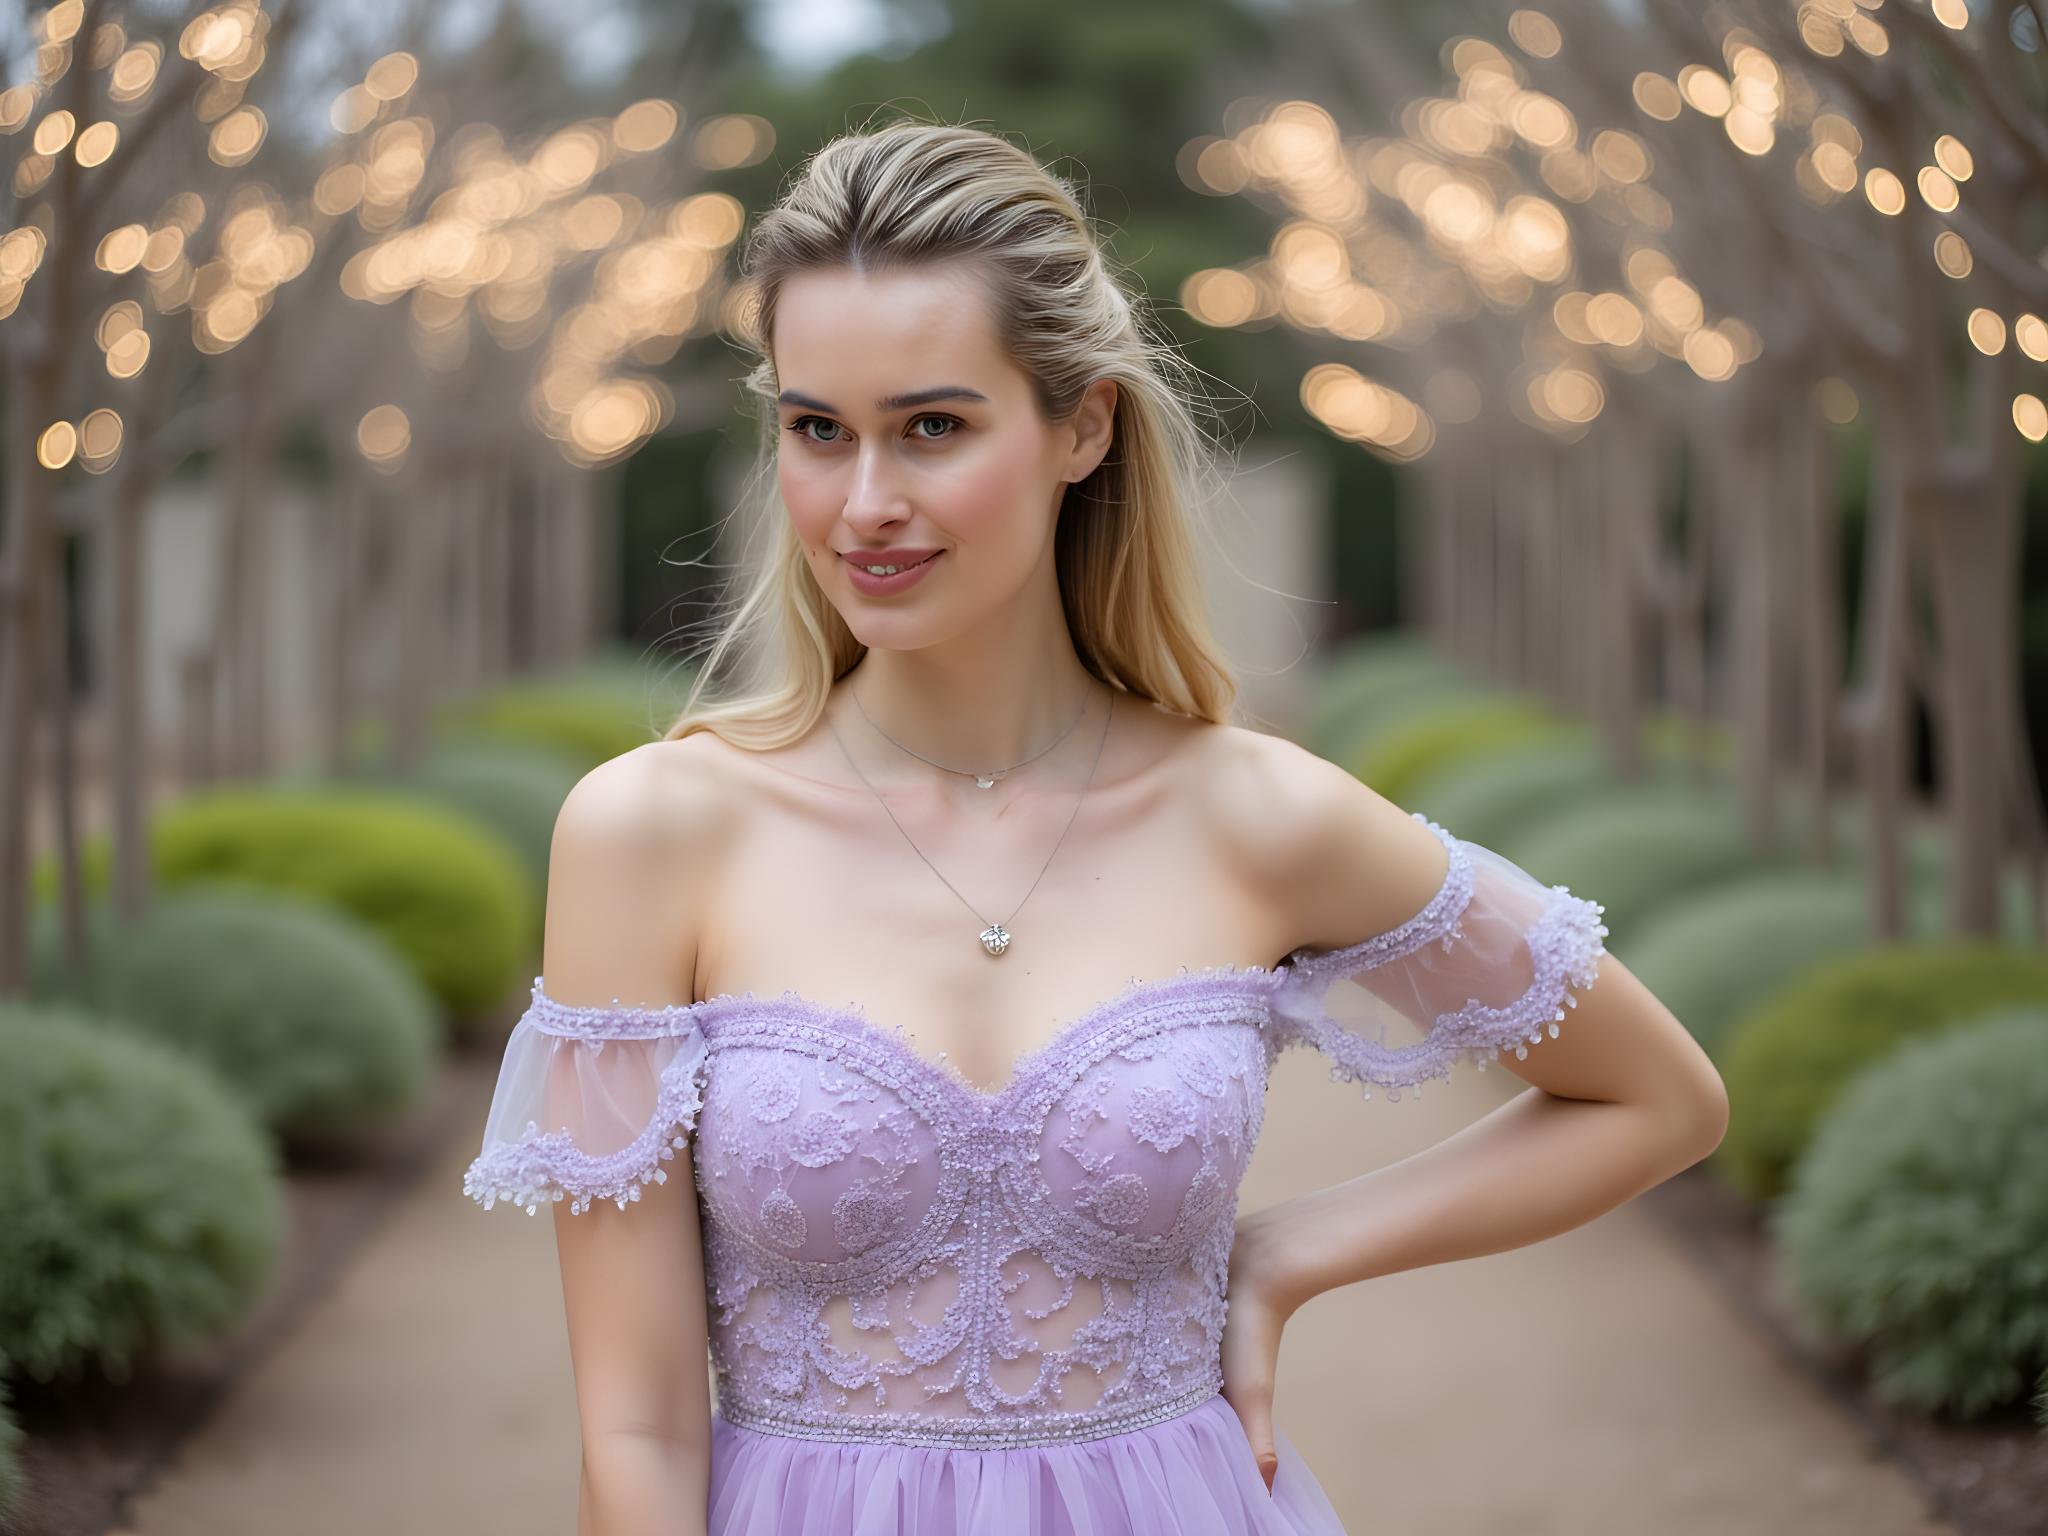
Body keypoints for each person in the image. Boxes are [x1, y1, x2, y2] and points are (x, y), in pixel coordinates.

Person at [466, 123, 1727, 1536]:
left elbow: (1658, 1098)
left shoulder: (1261, 815)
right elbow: (633, 1424)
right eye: (819, 429)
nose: (865, 501)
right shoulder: (654, 832)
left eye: (932, 427)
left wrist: (1290, 1256)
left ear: (1083, 425)